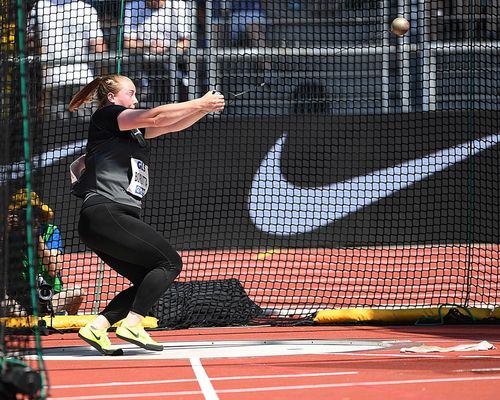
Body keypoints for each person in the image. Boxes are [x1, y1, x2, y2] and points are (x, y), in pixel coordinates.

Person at [68, 74, 224, 355]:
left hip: (103, 220)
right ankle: (133, 324)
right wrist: (199, 101)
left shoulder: (130, 132)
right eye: (131, 93)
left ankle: (97, 326)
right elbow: (155, 117)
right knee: (169, 263)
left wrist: (202, 110)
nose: (136, 98)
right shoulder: (108, 116)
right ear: (113, 98)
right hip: (107, 212)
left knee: (148, 278)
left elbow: (169, 126)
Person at [1, 189, 85, 316]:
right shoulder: (7, 234)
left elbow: (53, 269)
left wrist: (37, 236)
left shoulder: (51, 231)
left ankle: (46, 314)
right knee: (9, 307)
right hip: (18, 300)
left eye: (32, 213)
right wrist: (6, 233)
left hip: (48, 297)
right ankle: (31, 316)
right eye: (22, 213)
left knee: (77, 293)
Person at [27, 0, 107, 111]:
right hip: (82, 77)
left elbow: (30, 40)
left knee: (56, 124)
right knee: (84, 124)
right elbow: (98, 46)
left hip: (53, 78)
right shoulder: (86, 9)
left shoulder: (40, 6)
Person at [123, 0, 193, 101]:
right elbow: (128, 43)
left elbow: (185, 43)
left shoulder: (179, 6)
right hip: (147, 71)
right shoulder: (133, 7)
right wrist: (149, 46)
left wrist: (166, 47)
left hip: (176, 70)